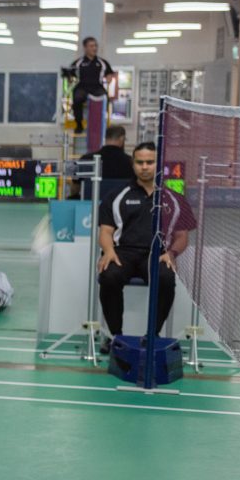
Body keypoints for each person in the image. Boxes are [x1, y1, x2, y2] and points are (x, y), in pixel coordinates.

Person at [96, 142, 192, 351]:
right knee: (108, 276)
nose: (145, 166)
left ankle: (153, 335)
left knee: (166, 278)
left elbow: (182, 236)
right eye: (140, 162)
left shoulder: (175, 199)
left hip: (157, 254)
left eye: (150, 162)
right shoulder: (116, 196)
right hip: (123, 252)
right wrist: (109, 250)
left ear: (158, 164)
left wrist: (172, 253)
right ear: (133, 164)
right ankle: (116, 337)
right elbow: (105, 232)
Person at [64, 37, 113, 134]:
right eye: (91, 46)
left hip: (97, 87)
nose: (94, 48)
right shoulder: (78, 63)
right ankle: (79, 124)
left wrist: (109, 77)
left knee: (105, 98)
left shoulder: (102, 62)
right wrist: (69, 78)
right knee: (77, 98)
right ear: (85, 48)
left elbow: (109, 74)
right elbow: (70, 76)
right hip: (82, 86)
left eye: (95, 46)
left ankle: (98, 124)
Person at [77, 124, 134, 199]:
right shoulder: (131, 162)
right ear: (122, 138)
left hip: (89, 204)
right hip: (122, 206)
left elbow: (76, 186)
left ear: (106, 138)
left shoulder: (86, 159)